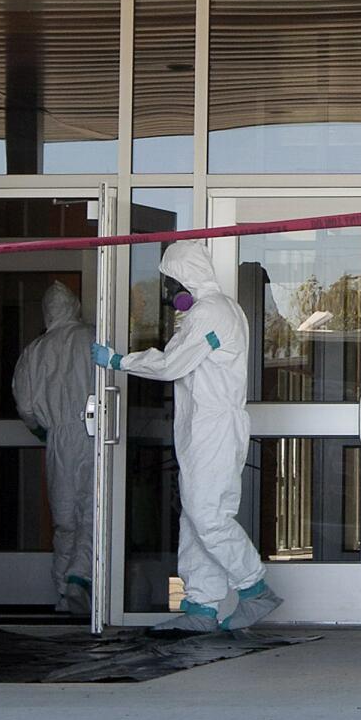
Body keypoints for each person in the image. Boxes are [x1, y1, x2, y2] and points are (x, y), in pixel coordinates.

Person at [92, 240, 283, 633]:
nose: (168, 290)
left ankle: (254, 588)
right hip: (204, 426)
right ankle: (201, 606)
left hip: (214, 427)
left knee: (208, 515)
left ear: (185, 276)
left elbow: (171, 364)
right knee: (196, 520)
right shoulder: (214, 310)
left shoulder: (211, 313)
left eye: (171, 280)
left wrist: (119, 361)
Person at [12, 281, 95, 616]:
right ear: (74, 305)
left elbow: (25, 405)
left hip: (58, 438)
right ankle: (81, 579)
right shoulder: (92, 339)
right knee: (93, 511)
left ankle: (63, 593)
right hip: (93, 431)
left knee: (64, 518)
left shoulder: (35, 350)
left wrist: (43, 434)